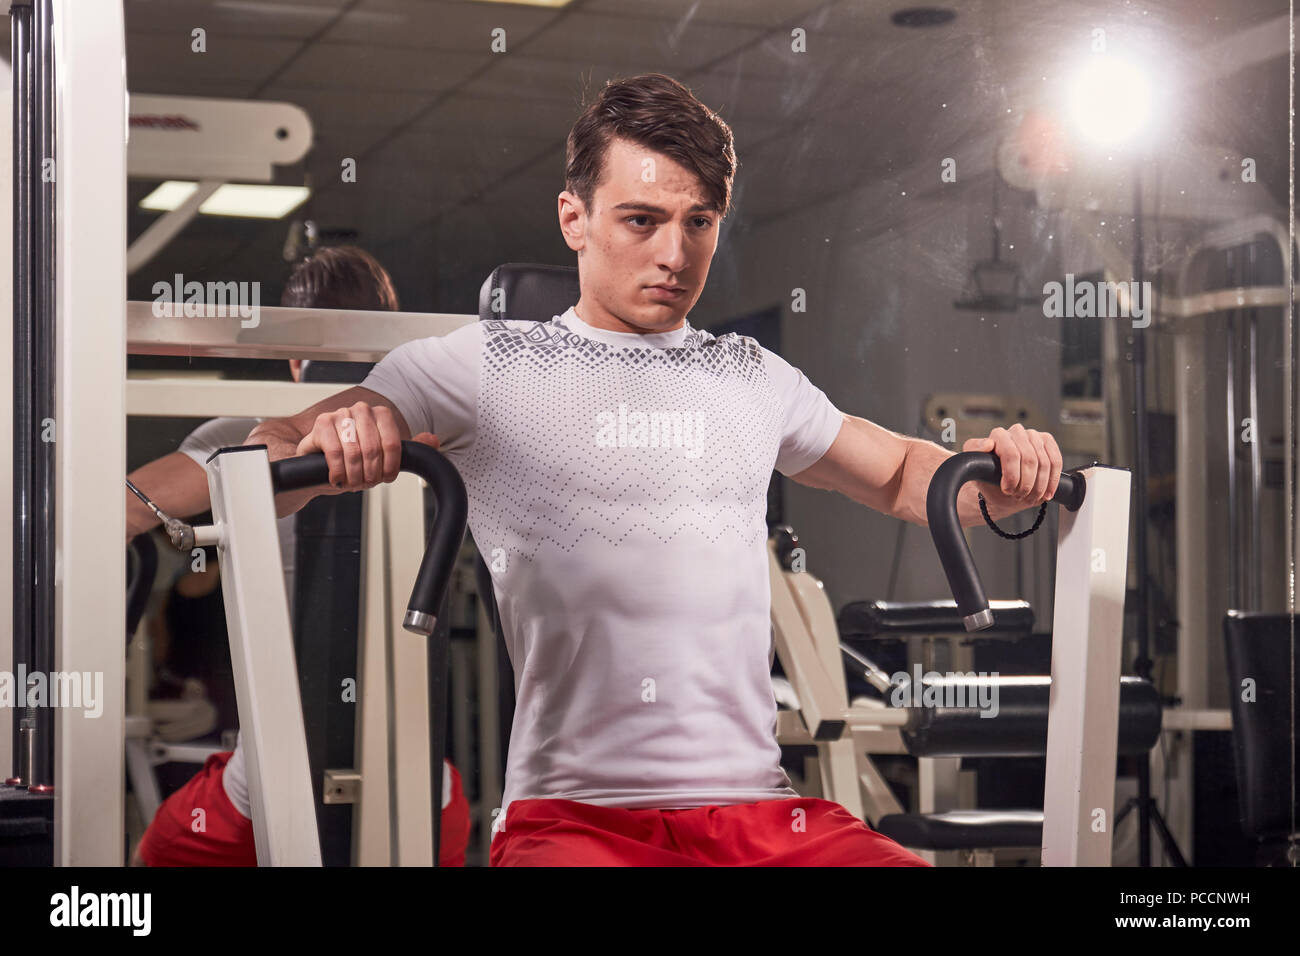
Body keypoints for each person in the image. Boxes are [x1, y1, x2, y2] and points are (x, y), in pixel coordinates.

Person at [143, 74, 1066, 866]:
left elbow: (911, 477)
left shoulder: (751, 378)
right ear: (573, 219)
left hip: (759, 814)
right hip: (573, 821)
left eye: (699, 223)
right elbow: (291, 438)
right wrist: (135, 504)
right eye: (644, 219)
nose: (675, 255)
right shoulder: (487, 367)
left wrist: (1004, 470)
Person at [127, 247, 470, 866]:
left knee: (155, 854)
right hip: (430, 797)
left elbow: (124, 510)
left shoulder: (241, 436)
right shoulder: (440, 436)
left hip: (265, 791)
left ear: (290, 359)